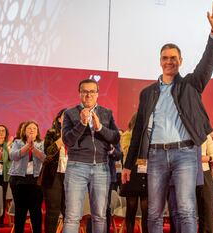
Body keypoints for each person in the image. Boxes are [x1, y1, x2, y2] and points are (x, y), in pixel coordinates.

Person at [121, 1, 213, 232]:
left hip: (186, 154)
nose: (169, 61)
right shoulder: (148, 93)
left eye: (173, 58)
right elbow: (139, 130)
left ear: (180, 61)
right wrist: (129, 164)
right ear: (160, 61)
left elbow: (207, 63)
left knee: (186, 210)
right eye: (165, 57)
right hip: (156, 155)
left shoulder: (191, 84)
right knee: (153, 212)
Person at [62, 78, 120, 233]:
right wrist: (81, 124)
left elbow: (116, 137)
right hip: (76, 167)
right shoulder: (70, 113)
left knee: (100, 216)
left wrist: (100, 127)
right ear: (79, 93)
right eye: (85, 91)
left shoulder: (106, 113)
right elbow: (67, 140)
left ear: (97, 94)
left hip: (101, 168)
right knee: (72, 216)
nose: (88, 95)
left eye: (92, 91)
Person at [9, 120, 46, 233]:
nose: (31, 130)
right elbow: (13, 156)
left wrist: (33, 148)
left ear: (37, 131)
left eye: (34, 128)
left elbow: (44, 158)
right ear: (24, 131)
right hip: (18, 179)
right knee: (20, 210)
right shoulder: (17, 142)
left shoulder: (42, 143)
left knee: (36, 210)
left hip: (36, 179)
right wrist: (27, 146)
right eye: (29, 128)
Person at [119, 113, 148, 233]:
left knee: (146, 207)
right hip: (131, 172)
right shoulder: (126, 135)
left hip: (146, 173)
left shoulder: (148, 136)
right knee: (131, 206)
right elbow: (127, 152)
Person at [41, 108, 67, 233]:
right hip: (54, 174)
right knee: (53, 209)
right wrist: (60, 141)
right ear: (59, 119)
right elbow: (47, 152)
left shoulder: (78, 134)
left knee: (69, 210)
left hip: (72, 175)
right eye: (65, 116)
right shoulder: (51, 133)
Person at [196, 133, 213, 233]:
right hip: (185, 172)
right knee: (186, 209)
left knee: (207, 207)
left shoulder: (206, 134)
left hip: (204, 171)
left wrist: (207, 158)